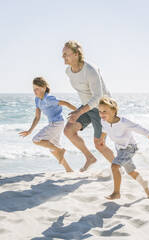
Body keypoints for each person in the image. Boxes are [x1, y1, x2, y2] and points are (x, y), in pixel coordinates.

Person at [62, 40, 114, 172]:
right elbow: (84, 92)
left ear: (76, 54)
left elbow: (98, 97)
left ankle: (118, 170)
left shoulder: (90, 70)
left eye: (66, 54)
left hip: (103, 108)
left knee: (99, 144)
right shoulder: (69, 71)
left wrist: (78, 112)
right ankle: (90, 158)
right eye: (63, 54)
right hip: (88, 106)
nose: (63, 57)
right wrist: (80, 110)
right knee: (68, 130)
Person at [98, 96, 149, 200]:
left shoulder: (123, 122)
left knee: (114, 166)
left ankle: (116, 193)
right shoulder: (103, 121)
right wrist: (102, 139)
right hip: (120, 149)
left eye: (105, 111)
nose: (102, 114)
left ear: (114, 111)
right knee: (131, 172)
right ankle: (144, 184)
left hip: (129, 148)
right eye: (100, 111)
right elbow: (105, 130)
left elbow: (138, 128)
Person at [19, 77, 77, 172]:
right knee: (52, 149)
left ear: (44, 88)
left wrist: (78, 111)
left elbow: (65, 103)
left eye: (37, 89)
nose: (35, 91)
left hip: (57, 123)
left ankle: (60, 150)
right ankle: (69, 170)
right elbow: (37, 117)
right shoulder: (37, 100)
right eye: (34, 89)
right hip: (54, 123)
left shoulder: (49, 98)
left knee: (36, 140)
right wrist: (30, 130)